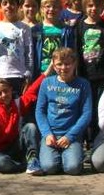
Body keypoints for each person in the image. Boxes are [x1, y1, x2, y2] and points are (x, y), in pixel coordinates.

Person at [34, 48, 92, 176]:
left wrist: (70, 136)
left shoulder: (83, 84)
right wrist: (47, 134)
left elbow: (86, 114)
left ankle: (70, 156)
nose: (63, 67)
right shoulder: (46, 83)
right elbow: (40, 111)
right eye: (59, 64)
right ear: (54, 65)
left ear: (74, 64)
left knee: (73, 168)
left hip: (71, 135)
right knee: (49, 167)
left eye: (67, 64)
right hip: (51, 135)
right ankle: (52, 156)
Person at [77, 0, 104, 145]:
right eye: (90, 5)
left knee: (101, 110)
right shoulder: (78, 27)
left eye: (97, 5)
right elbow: (76, 51)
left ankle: (99, 141)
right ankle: (86, 141)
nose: (93, 9)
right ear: (85, 7)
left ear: (103, 7)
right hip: (84, 76)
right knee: (86, 110)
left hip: (102, 76)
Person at [0, 0, 33, 97]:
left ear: (18, 6)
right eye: (5, 3)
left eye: (12, 3)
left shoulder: (24, 28)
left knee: (17, 109)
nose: (8, 6)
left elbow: (29, 54)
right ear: (0, 7)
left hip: (18, 76)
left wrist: (28, 76)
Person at [0, 78, 30, 174]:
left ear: (11, 90)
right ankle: (22, 165)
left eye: (6, 91)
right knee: (2, 163)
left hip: (16, 148)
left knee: (30, 127)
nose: (4, 95)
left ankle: (32, 160)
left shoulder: (17, 104)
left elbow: (33, 90)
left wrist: (47, 72)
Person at [30, 0, 77, 81]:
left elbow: (72, 53)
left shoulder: (67, 30)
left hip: (61, 74)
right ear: (41, 9)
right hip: (41, 74)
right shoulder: (35, 30)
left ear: (60, 9)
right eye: (48, 6)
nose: (51, 9)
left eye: (55, 7)